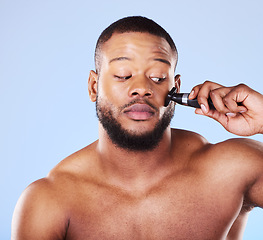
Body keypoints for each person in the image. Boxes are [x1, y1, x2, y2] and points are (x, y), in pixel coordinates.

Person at [11, 16, 263, 240]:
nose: (142, 88)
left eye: (157, 77)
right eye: (122, 74)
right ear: (93, 86)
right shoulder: (48, 201)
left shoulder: (231, 169)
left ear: (175, 87)